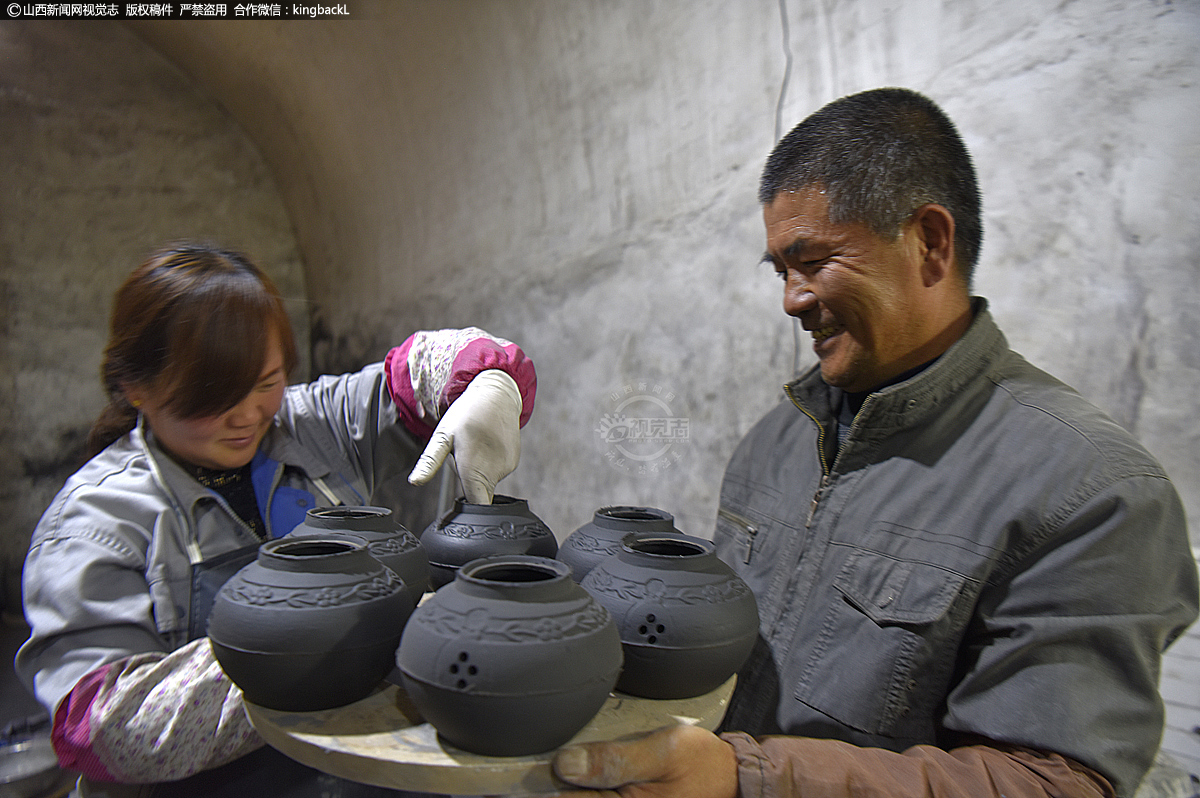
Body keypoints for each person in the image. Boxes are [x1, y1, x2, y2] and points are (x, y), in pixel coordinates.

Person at [538, 88, 1198, 798]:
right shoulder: (779, 438)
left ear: (930, 242)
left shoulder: (1093, 491)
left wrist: (747, 778)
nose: (790, 298)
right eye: (779, 271)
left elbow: (1054, 783)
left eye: (813, 260)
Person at [15, 243, 537, 796]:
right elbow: (102, 728)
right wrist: (320, 636)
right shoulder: (95, 521)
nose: (247, 416)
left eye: (264, 383)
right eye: (209, 396)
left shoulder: (307, 425)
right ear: (136, 389)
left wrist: (487, 383)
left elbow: (420, 366)